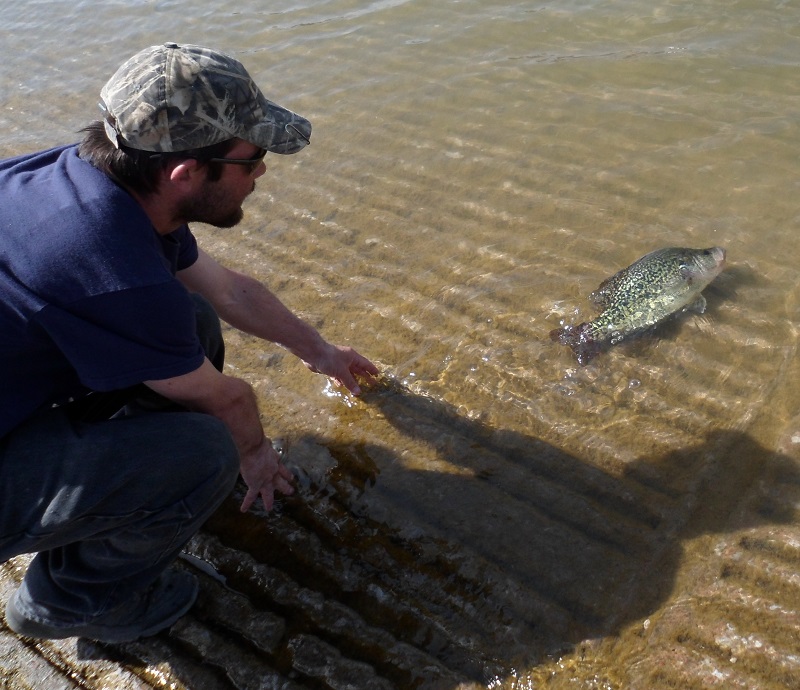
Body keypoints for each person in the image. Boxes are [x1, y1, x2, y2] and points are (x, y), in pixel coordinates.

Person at [0, 43, 379, 643]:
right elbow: (228, 401)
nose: (261, 173)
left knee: (194, 320)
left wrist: (322, 353)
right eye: (251, 159)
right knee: (205, 452)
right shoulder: (111, 266)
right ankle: (67, 605)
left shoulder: (82, 183)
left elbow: (229, 292)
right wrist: (252, 456)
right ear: (184, 172)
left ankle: (124, 496)